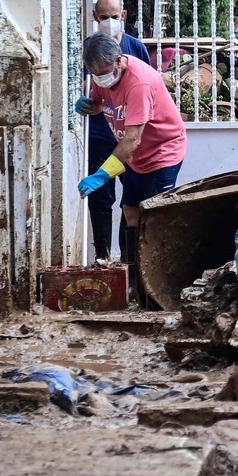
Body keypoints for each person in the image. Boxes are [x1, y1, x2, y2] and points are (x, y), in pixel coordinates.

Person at [76, 33, 187, 302]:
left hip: (162, 151)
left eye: (102, 72)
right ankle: (133, 281)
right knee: (130, 211)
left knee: (152, 215)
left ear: (118, 61)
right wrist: (91, 106)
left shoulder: (139, 82)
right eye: (94, 73)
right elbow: (102, 102)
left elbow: (133, 139)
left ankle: (157, 286)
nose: (99, 78)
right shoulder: (103, 77)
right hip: (136, 156)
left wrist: (102, 174)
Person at [84, 0, 151, 263]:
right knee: (100, 198)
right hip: (101, 135)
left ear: (123, 15)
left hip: (129, 138)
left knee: (131, 201)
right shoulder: (89, 49)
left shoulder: (136, 48)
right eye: (104, 17)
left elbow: (149, 88)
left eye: (114, 16)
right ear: (94, 17)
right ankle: (102, 257)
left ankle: (127, 261)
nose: (109, 22)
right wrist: (86, 102)